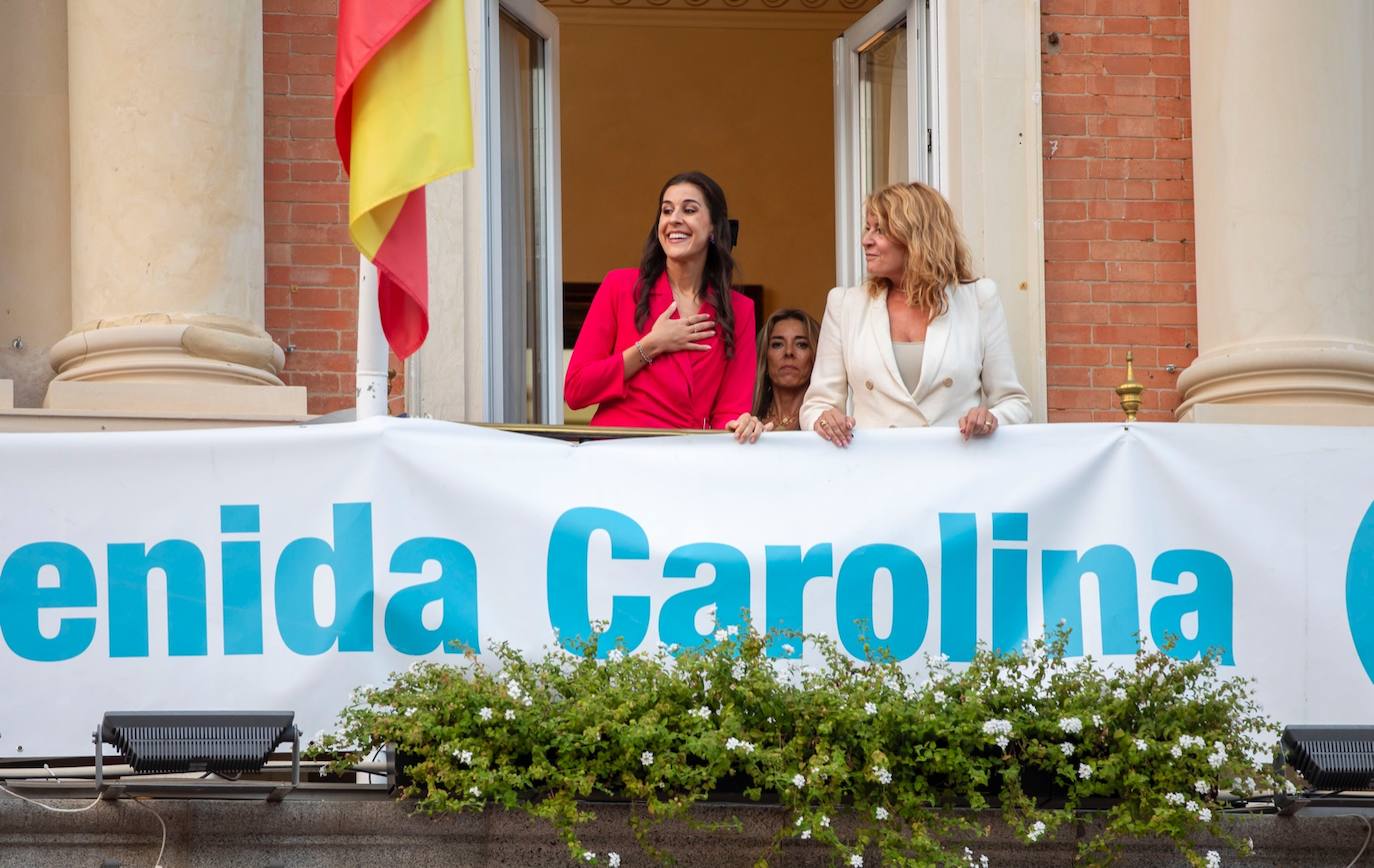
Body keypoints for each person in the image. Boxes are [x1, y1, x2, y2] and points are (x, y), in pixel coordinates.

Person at [800, 181, 1030, 446]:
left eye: (880, 231)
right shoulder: (845, 305)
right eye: (867, 228)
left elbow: (1015, 403)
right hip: (874, 472)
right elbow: (817, 404)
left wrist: (990, 418)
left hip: (956, 471)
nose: (866, 240)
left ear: (916, 237)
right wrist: (826, 419)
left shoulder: (978, 299)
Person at [564, 171, 757, 432]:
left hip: (688, 459)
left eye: (689, 210)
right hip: (619, 457)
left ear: (713, 227)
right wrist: (650, 346)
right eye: (667, 211)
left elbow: (730, 412)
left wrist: (741, 425)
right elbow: (576, 390)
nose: (674, 219)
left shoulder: (739, 309)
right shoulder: (620, 287)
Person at [748, 308, 821, 432]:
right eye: (777, 344)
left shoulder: (824, 422)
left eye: (801, 344)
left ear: (815, 355)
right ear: (764, 356)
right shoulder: (746, 420)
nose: (789, 352)